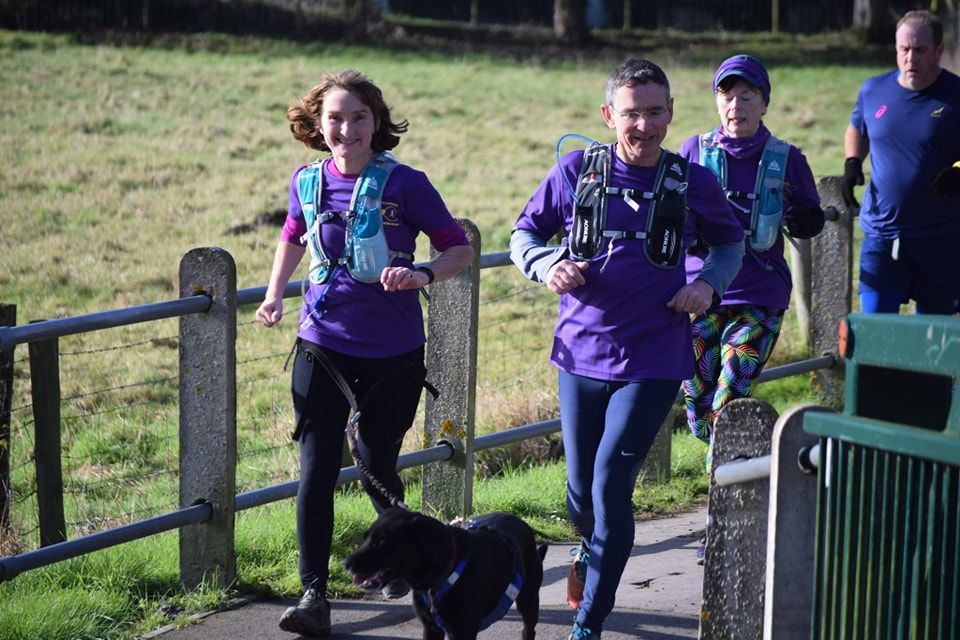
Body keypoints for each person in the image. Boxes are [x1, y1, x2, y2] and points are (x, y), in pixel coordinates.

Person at [509, 58, 744, 640]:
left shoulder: (692, 181)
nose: (644, 126)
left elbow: (730, 240)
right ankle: (591, 547)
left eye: (656, 112)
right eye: (632, 113)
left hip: (654, 357)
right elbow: (523, 234)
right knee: (580, 492)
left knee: (612, 484)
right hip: (579, 354)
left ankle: (589, 620)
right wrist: (547, 265)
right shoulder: (573, 172)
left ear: (671, 113)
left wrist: (707, 284)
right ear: (609, 115)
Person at [255, 70, 473, 637]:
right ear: (316, 123)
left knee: (377, 466)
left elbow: (459, 249)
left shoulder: (408, 184)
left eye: (358, 118)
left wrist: (422, 272)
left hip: (394, 355)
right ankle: (313, 595)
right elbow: (292, 235)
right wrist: (276, 295)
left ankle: (404, 559)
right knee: (316, 470)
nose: (345, 128)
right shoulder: (307, 181)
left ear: (377, 123)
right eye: (334, 118)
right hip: (320, 347)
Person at [677, 54, 824, 539]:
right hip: (702, 294)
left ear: (763, 102)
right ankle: (756, 472)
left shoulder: (787, 159)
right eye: (726, 95)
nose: (735, 105)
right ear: (716, 100)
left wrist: (808, 219)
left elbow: (809, 212)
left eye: (746, 96)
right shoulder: (693, 151)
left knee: (727, 402)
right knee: (698, 411)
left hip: (760, 295)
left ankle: (719, 521)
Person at [842, 9, 960, 315]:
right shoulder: (873, 90)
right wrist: (853, 162)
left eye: (920, 50)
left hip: (941, 238)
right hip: (882, 235)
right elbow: (858, 127)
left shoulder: (956, 95)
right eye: (904, 50)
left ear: (938, 50)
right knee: (875, 332)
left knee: (933, 342)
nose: (910, 59)